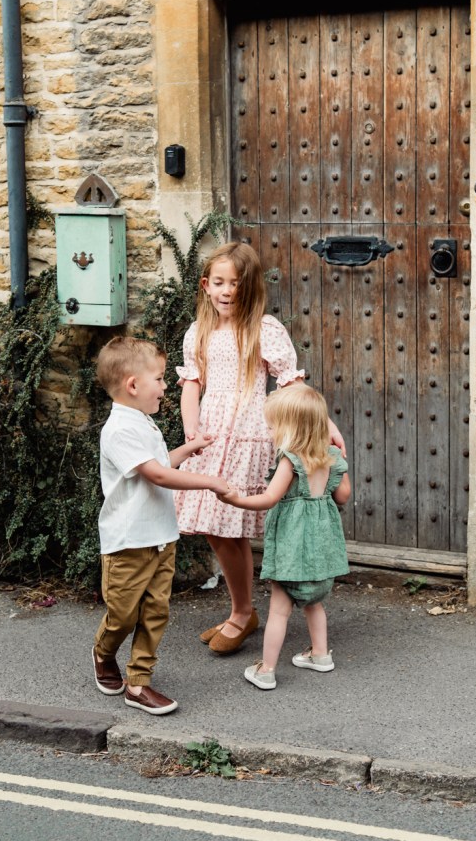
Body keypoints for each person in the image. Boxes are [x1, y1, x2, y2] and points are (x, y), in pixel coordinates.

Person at [174, 240, 344, 655]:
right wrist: (191, 428)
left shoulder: (264, 329)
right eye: (218, 282)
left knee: (232, 528)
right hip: (211, 438)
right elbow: (192, 385)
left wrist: (325, 424)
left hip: (252, 436)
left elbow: (291, 384)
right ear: (205, 285)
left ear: (249, 288)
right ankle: (243, 610)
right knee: (215, 530)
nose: (226, 291)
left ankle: (243, 612)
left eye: (235, 283)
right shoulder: (198, 332)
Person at [92, 335, 228, 715]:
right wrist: (211, 482)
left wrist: (188, 449)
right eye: (161, 379)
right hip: (128, 543)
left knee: (155, 612)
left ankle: (138, 683)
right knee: (122, 615)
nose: (166, 386)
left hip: (161, 538)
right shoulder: (119, 429)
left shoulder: (144, 423)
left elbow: (159, 464)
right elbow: (158, 477)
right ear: (133, 385)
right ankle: (103, 652)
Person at [220, 384, 351, 690]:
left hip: (293, 547)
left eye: (272, 425)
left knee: (280, 609)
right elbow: (343, 496)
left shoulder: (290, 460)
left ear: (290, 428)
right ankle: (320, 655)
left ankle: (266, 670)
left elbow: (269, 498)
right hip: (320, 548)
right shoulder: (332, 456)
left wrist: (235, 499)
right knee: (314, 604)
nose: (269, 430)